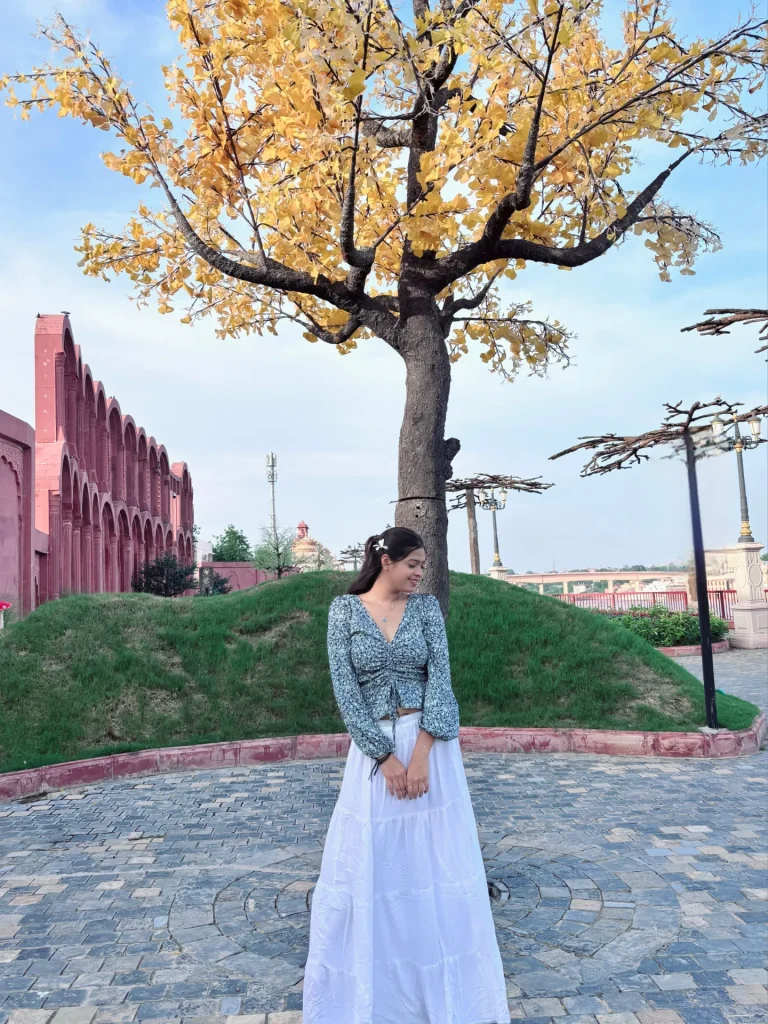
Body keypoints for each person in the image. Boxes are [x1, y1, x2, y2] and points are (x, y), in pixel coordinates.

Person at [303, 527, 510, 1024]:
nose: (420, 573)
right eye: (413, 563)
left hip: (431, 748)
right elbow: (345, 691)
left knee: (434, 863)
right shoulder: (344, 612)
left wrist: (418, 756)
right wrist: (384, 757)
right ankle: (379, 995)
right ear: (385, 559)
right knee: (377, 863)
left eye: (423, 564)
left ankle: (439, 984)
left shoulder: (426, 611)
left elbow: (441, 681)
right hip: (373, 756)